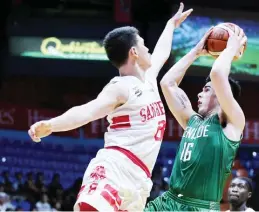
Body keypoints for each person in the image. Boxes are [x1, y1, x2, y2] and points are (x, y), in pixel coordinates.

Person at [28, 3, 193, 211]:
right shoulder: (119, 87)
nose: (147, 48)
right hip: (115, 168)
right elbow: (86, 111)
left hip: (140, 180)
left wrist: (171, 25)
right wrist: (52, 125)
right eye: (143, 45)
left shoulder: (149, 79)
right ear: (134, 52)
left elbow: (161, 52)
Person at [145, 25, 247, 211]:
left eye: (206, 90)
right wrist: (196, 51)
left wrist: (231, 48)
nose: (199, 94)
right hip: (168, 201)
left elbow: (217, 74)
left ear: (222, 94)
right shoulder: (191, 120)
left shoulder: (232, 122)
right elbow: (167, 83)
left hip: (199, 207)